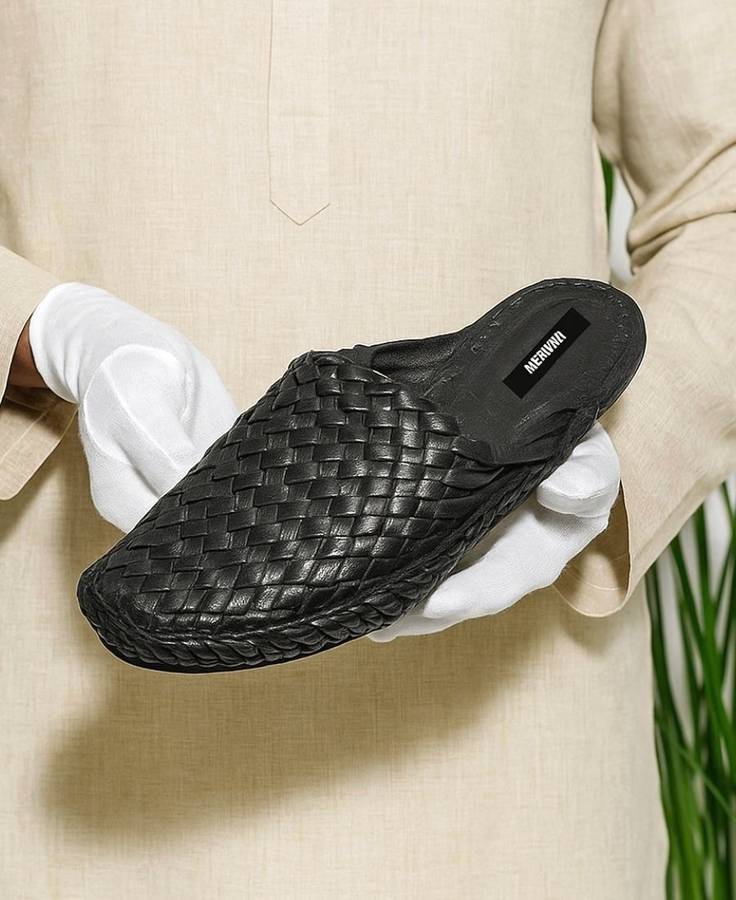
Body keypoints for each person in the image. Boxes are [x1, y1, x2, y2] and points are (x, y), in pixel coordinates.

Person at [0, 2, 733, 897]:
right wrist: (42, 331)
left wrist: (619, 457)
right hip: (65, 759)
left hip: (523, 779)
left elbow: (723, 197)